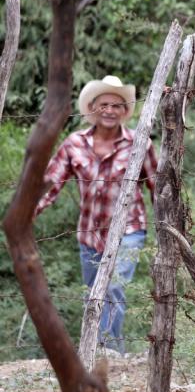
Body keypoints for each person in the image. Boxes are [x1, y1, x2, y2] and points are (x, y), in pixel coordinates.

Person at [35, 75, 158, 354]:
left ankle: (110, 351)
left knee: (114, 287)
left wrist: (167, 226)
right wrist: (29, 213)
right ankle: (93, 351)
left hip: (129, 229)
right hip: (89, 233)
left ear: (125, 111)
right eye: (104, 104)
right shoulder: (74, 144)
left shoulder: (140, 144)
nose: (110, 111)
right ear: (92, 108)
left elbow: (158, 185)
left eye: (117, 106)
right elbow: (51, 182)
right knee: (92, 295)